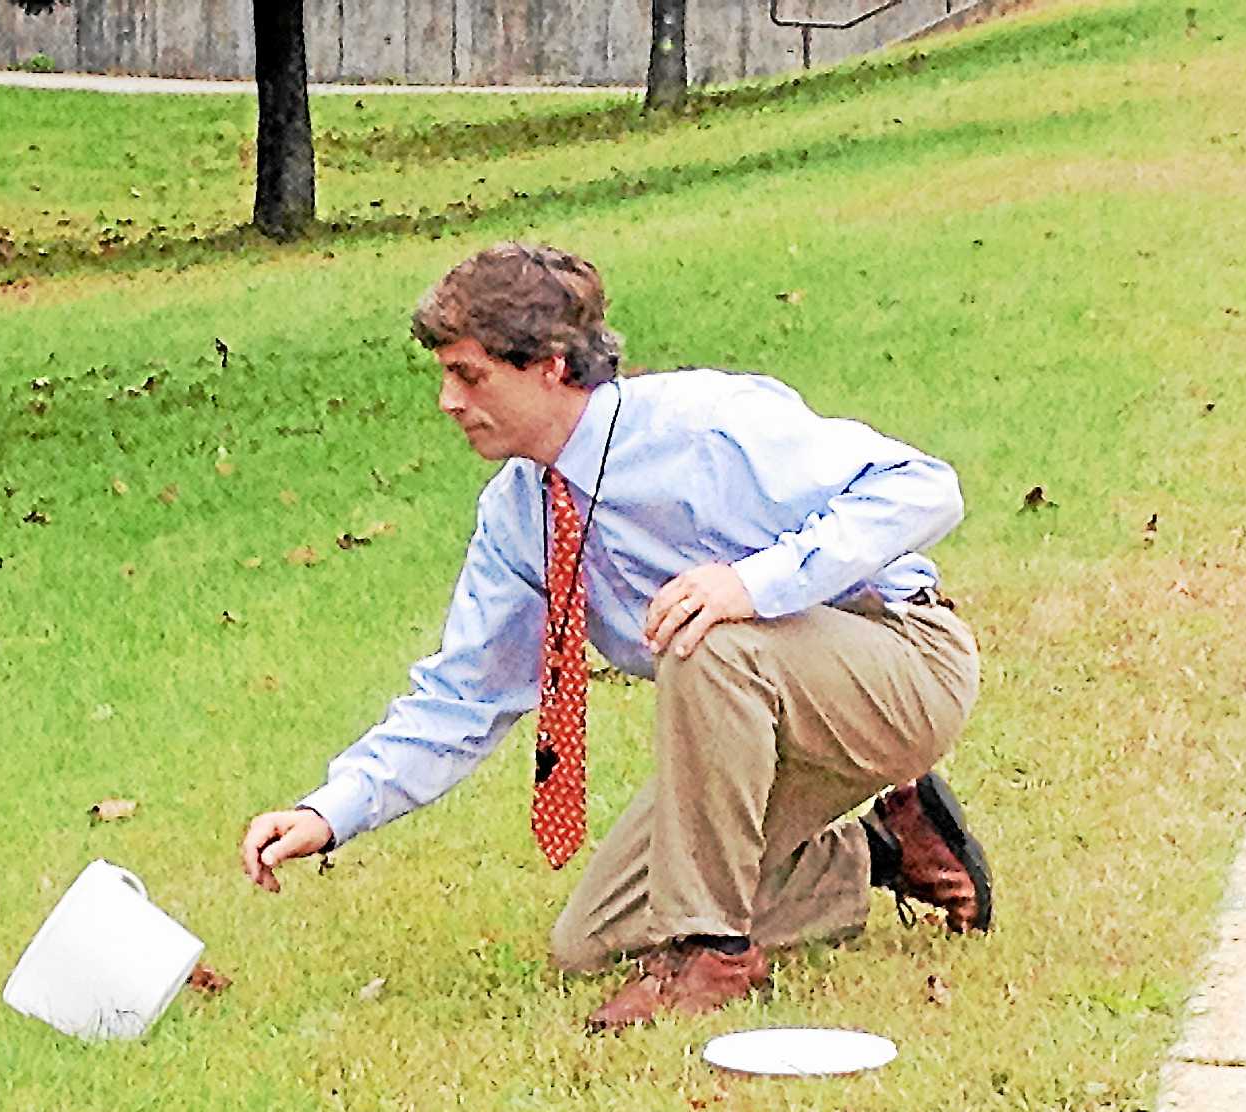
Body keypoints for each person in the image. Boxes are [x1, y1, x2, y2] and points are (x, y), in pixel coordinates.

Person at [238, 242, 991, 1029]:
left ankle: (712, 952)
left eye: (468, 375)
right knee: (592, 938)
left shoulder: (702, 424)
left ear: (552, 366)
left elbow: (922, 488)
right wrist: (329, 812)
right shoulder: (518, 514)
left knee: (707, 634)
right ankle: (885, 851)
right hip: (751, 725)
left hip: (904, 665)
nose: (447, 402)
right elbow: (464, 698)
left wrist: (752, 583)